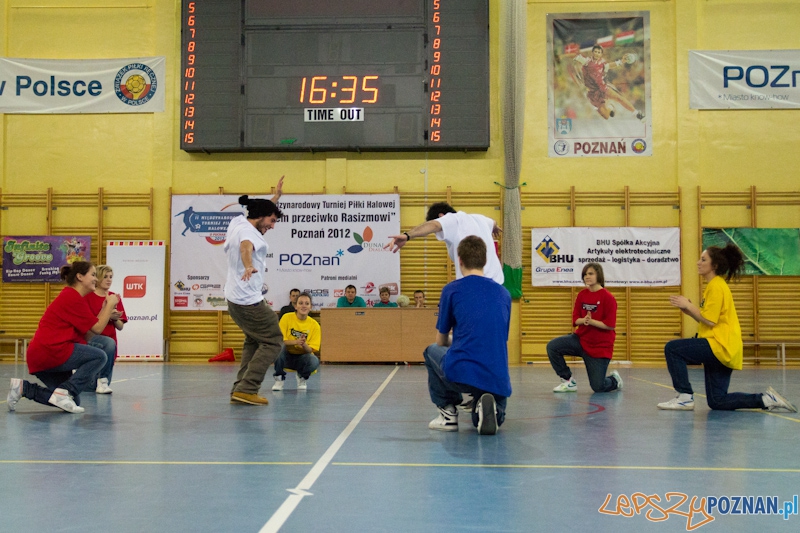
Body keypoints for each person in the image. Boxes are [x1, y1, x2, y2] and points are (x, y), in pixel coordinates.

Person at [658, 244, 796, 412]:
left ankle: (685, 397)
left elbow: (709, 320)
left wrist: (687, 304)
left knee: (672, 349)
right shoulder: (716, 285)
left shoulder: (716, 286)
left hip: (719, 345)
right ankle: (766, 400)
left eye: (703, 259)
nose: (698, 263)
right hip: (725, 348)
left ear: (714, 266)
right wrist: (688, 310)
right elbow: (708, 318)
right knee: (718, 401)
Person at [423, 236, 512, 435]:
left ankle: (448, 414)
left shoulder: (452, 290)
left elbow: (441, 340)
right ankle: (489, 408)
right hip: (497, 374)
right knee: (488, 415)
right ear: (485, 260)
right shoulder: (503, 293)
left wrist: (459, 339)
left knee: (431, 350)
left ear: (459, 260)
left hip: (461, 370)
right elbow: (498, 337)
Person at [7, 262, 118, 414]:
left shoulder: (73, 297)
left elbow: (89, 333)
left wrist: (105, 308)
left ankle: (24, 388)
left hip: (46, 354)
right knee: (99, 357)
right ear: (80, 277)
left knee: (72, 402)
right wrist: (109, 306)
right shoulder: (71, 297)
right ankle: (66, 391)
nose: (95, 279)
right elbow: (98, 328)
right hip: (51, 352)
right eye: (92, 275)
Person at [225, 177, 285, 406]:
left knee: (254, 340)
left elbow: (260, 212)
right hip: (248, 300)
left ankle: (240, 389)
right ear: (260, 217)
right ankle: (248, 388)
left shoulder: (239, 223)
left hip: (235, 298)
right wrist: (249, 265)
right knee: (273, 341)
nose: (272, 225)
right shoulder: (249, 235)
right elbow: (245, 247)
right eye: (271, 220)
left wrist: (276, 198)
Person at [546, 263, 622, 393]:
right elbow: (575, 319)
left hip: (599, 347)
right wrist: (584, 320)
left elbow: (610, 325)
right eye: (585, 274)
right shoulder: (582, 295)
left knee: (598, 387)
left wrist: (591, 321)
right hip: (580, 340)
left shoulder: (608, 298)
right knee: (552, 346)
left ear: (599, 275)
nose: (587, 277)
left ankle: (615, 380)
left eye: (591, 274)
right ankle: (568, 380)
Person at [386, 202, 504, 284]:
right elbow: (493, 222)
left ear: (441, 216)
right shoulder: (480, 218)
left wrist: (407, 236)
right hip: (497, 283)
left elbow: (434, 225)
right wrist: (494, 227)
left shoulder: (452, 219)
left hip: (473, 285)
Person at [569, 45, 645, 122]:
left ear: (601, 54)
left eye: (599, 52)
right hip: (593, 94)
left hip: (603, 88)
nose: (597, 53)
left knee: (619, 98)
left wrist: (622, 61)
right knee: (606, 116)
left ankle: (637, 114)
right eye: (595, 52)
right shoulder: (586, 61)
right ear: (592, 52)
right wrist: (574, 54)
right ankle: (610, 107)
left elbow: (611, 65)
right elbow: (576, 57)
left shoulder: (603, 64)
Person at [85, 264, 127, 394]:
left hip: (110, 344)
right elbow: (88, 325)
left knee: (97, 387)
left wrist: (114, 318)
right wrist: (106, 312)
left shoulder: (114, 297)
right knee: (89, 387)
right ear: (97, 278)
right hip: (92, 340)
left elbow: (120, 326)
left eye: (111, 277)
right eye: (105, 277)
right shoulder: (87, 297)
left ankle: (101, 381)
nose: (109, 280)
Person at [272, 293, 321, 391]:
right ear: (295, 306)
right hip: (285, 357)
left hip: (302, 358)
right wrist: (296, 342)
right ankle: (279, 378)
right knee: (278, 347)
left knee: (314, 360)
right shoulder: (286, 317)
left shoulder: (315, 325)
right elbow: (280, 341)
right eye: (301, 303)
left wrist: (304, 344)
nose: (303, 306)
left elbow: (310, 350)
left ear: (310, 307)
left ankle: (302, 377)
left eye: (307, 303)